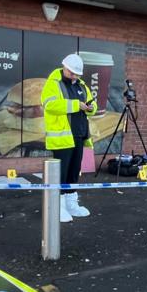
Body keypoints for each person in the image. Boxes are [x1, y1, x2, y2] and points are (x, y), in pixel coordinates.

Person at [42, 53, 97, 223]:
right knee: (61, 174)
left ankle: (71, 203)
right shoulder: (53, 83)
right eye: (71, 72)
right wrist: (75, 105)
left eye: (77, 74)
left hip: (79, 135)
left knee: (74, 171)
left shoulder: (82, 85)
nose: (74, 76)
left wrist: (91, 108)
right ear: (64, 67)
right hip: (62, 137)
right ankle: (57, 207)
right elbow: (49, 105)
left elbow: (92, 104)